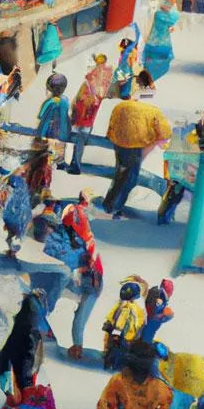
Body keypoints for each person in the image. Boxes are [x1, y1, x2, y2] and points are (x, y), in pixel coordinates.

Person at [103, 80, 171, 218]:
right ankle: (115, 206)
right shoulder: (153, 111)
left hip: (119, 145)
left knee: (120, 174)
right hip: (135, 147)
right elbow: (165, 133)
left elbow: (111, 126)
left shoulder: (120, 106)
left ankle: (109, 203)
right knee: (130, 179)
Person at [60, 190, 104, 360]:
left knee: (81, 315)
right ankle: (77, 345)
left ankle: (77, 346)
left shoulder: (84, 239)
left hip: (91, 281)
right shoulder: (78, 224)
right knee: (80, 314)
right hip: (86, 278)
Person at [0, 289, 49, 402]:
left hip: (25, 339)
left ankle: (25, 397)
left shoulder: (30, 303)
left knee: (21, 369)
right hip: (21, 339)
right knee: (11, 367)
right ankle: (22, 396)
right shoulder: (29, 305)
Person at [69, 54, 114, 174]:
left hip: (82, 116)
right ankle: (75, 163)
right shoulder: (105, 80)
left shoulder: (90, 81)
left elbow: (78, 98)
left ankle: (75, 164)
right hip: (89, 117)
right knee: (81, 139)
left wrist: (75, 106)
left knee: (78, 139)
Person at [102, 278, 147, 371]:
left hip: (122, 334)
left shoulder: (122, 305)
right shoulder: (129, 307)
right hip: (124, 335)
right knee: (119, 351)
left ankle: (110, 363)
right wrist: (116, 334)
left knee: (115, 349)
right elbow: (120, 322)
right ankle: (113, 365)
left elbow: (113, 317)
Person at [143, 0, 180, 82]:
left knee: (155, 61)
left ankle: (149, 78)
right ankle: (148, 78)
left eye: (170, 3)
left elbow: (173, 24)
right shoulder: (159, 14)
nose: (168, 5)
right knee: (151, 61)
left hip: (159, 42)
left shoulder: (166, 14)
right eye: (166, 1)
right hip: (155, 42)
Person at [37, 72, 71, 143]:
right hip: (63, 135)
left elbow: (41, 116)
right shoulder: (66, 100)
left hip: (50, 134)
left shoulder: (50, 102)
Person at [140, 280, 175, 344]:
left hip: (149, 324)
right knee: (146, 339)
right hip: (150, 325)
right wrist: (165, 316)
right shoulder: (160, 299)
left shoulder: (159, 295)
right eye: (170, 292)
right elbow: (154, 315)